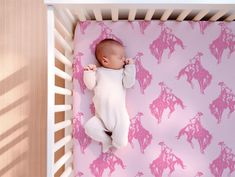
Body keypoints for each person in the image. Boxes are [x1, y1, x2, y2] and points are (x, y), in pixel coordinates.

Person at [83, 39, 136, 152]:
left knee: (121, 144)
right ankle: (106, 140)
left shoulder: (122, 72)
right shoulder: (98, 72)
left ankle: (115, 142)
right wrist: (89, 73)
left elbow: (129, 83)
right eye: (120, 57)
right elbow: (90, 85)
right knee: (89, 128)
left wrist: (130, 67)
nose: (124, 60)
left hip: (119, 117)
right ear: (105, 61)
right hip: (100, 118)